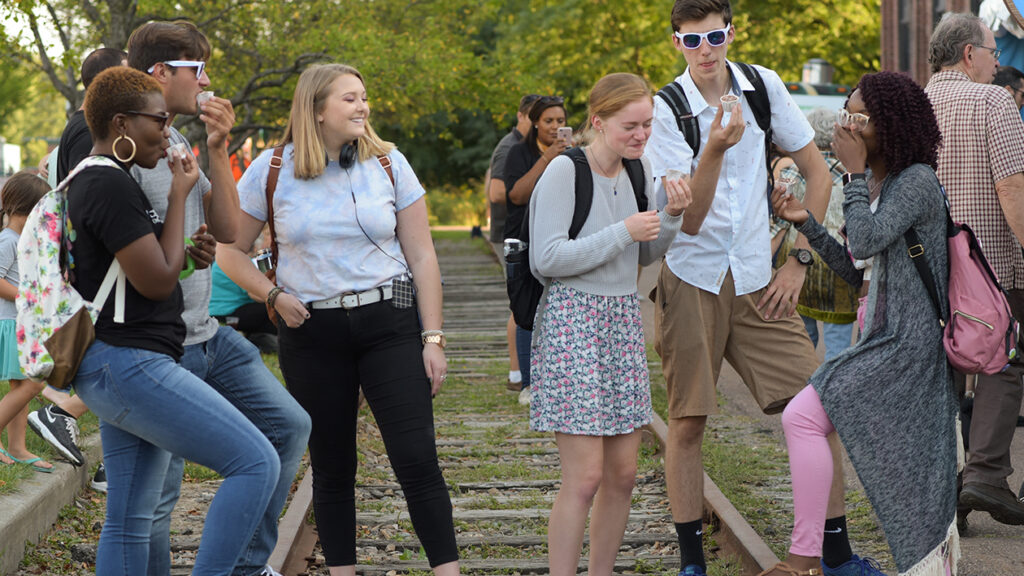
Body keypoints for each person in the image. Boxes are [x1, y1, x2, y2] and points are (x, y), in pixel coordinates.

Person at [218, 63, 460, 576]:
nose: (362, 107)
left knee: (416, 458)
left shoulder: (389, 163)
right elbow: (230, 252)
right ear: (317, 109)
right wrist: (272, 294)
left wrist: (433, 337)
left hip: (389, 322)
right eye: (349, 99)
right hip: (310, 332)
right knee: (331, 468)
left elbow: (423, 258)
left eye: (364, 98)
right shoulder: (272, 169)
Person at [644, 2, 840, 575]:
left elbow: (819, 172)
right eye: (691, 40)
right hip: (691, 277)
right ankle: (691, 565)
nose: (705, 50)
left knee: (815, 407)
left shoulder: (763, 85)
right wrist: (715, 148)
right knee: (688, 422)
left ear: (731, 33)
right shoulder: (665, 109)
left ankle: (833, 555)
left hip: (760, 277)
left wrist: (799, 259)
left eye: (715, 36)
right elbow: (695, 219)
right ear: (676, 43)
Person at [68, 65, 280, 576]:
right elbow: (158, 285)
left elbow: (138, 271)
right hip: (128, 363)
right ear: (122, 122)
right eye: (157, 121)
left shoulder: (104, 180)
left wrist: (188, 254)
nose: (166, 132)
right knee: (256, 463)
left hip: (116, 361)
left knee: (129, 517)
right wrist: (183, 193)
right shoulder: (108, 185)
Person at [126, 21, 311, 576]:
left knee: (289, 426)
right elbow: (130, 256)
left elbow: (230, 230)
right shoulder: (125, 146)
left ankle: (247, 567)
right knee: (155, 500)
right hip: (155, 342)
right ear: (160, 72)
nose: (207, 80)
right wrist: (183, 249)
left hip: (204, 333)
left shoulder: (180, 139)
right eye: (197, 68)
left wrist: (219, 148)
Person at [767, 71, 957, 576]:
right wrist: (806, 222)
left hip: (906, 343)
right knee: (812, 421)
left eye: (859, 118)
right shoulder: (885, 182)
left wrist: (849, 177)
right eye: (846, 115)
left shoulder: (914, 179)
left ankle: (807, 559)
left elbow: (868, 240)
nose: (848, 127)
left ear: (889, 125)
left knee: (804, 417)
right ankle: (823, 558)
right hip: (885, 337)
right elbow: (857, 267)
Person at [529, 73, 688, 575]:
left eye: (648, 125)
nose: (642, 136)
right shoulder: (564, 171)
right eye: (631, 126)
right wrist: (623, 231)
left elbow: (644, 255)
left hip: (620, 319)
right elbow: (547, 258)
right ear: (597, 121)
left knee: (622, 474)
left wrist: (673, 217)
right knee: (584, 477)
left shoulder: (638, 173)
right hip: (574, 320)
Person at [925, 12, 1024, 530]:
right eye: (992, 50)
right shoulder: (994, 101)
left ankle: (945, 494)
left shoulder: (912, 103)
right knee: (1004, 362)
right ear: (968, 53)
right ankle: (984, 474)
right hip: (991, 270)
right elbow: (1012, 189)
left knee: (944, 373)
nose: (998, 59)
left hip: (925, 271)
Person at [29, 47, 129, 475]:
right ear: (105, 82)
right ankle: (64, 412)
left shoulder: (78, 128)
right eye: (127, 76)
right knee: (118, 354)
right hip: (93, 268)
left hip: (83, 266)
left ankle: (113, 459)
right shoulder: (86, 132)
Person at [772, 109, 859, 360]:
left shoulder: (793, 173)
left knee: (802, 338)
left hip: (798, 262)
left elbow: (777, 223)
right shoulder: (853, 174)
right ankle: (833, 391)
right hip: (840, 267)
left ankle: (802, 390)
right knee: (838, 344)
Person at [504, 95, 568, 405]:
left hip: (558, 239)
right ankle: (528, 383)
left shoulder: (573, 155)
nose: (555, 127)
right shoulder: (520, 152)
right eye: (549, 121)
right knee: (525, 310)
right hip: (523, 240)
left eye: (560, 121)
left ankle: (557, 379)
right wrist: (548, 159)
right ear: (535, 123)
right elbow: (515, 195)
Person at [0, 172, 53, 474]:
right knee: (32, 383)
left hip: (22, 324)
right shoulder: (7, 241)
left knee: (23, 384)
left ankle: (17, 447)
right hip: (10, 323)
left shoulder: (21, 241)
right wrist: (26, 296)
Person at [489, 93, 541, 392]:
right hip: (510, 233)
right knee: (519, 304)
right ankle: (517, 373)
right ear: (521, 116)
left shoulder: (528, 147)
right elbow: (496, 192)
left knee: (526, 301)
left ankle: (525, 372)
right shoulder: (510, 146)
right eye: (535, 117)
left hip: (527, 232)